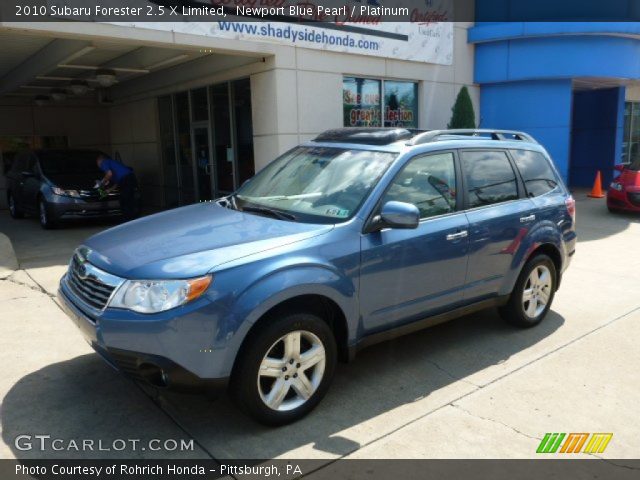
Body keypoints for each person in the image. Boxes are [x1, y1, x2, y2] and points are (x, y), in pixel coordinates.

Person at [96, 153, 138, 222]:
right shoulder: (113, 164)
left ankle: (128, 219)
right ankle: (130, 218)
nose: (98, 165)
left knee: (125, 200)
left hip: (127, 179)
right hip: (130, 178)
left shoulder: (104, 163)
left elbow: (109, 174)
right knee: (128, 199)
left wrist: (101, 183)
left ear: (99, 161)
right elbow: (118, 182)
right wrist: (109, 190)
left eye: (97, 163)